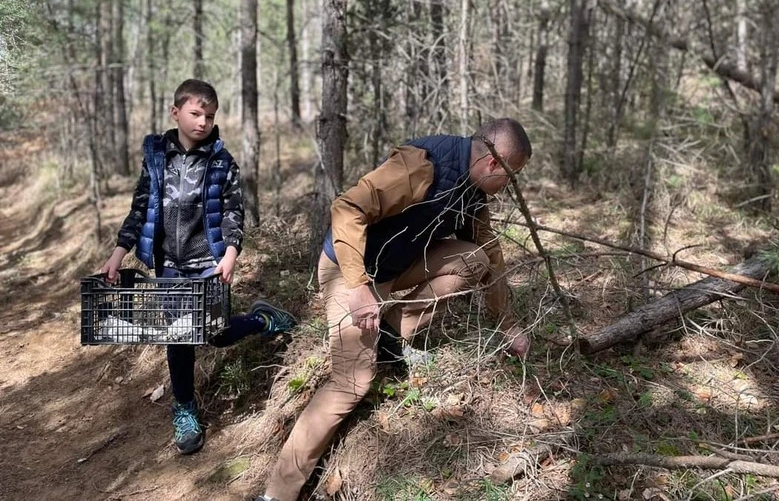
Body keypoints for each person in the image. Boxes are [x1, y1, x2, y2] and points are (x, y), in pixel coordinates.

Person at [256, 118, 532, 501]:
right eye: (511, 176)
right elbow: (347, 208)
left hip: (394, 269)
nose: (509, 187)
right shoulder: (422, 166)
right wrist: (357, 287)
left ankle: (391, 331)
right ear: (492, 164)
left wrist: (508, 325)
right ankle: (276, 494)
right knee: (351, 382)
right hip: (348, 270)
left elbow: (492, 256)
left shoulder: (473, 191)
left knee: (474, 258)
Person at [101, 78, 296, 455]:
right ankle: (185, 409)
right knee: (179, 337)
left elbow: (233, 212)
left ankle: (261, 320)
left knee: (215, 333)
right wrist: (118, 253)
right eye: (195, 113)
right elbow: (140, 208)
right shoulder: (157, 158)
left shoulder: (222, 162)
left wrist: (231, 254)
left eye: (209, 115)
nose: (203, 122)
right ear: (175, 112)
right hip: (170, 265)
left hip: (208, 263)